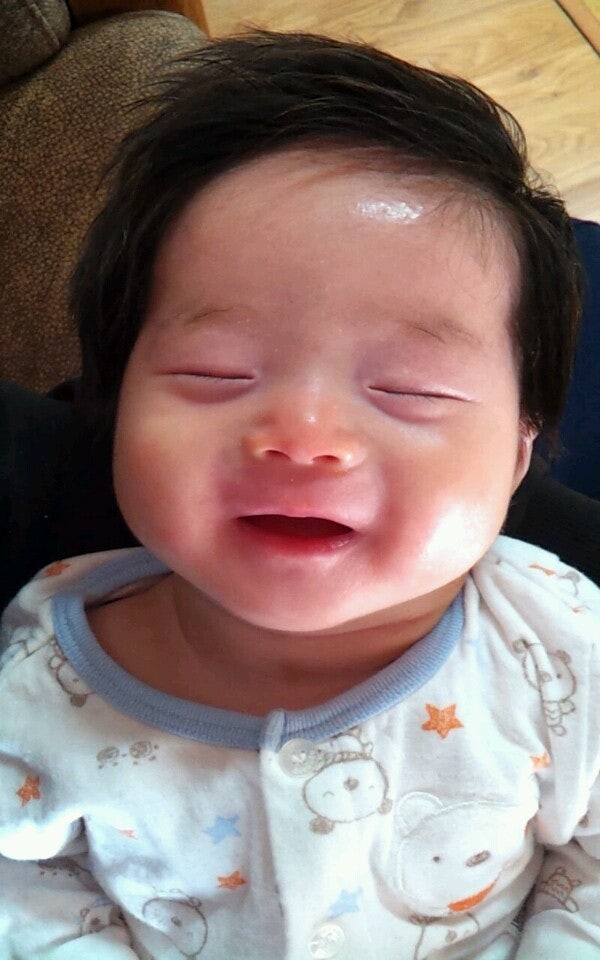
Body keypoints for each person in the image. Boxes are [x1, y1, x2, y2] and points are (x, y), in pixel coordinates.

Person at [0, 30, 599, 960]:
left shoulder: (559, 644)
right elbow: (27, 906)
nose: (305, 435)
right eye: (216, 372)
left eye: (408, 389)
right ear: (109, 409)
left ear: (520, 457)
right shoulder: (38, 697)